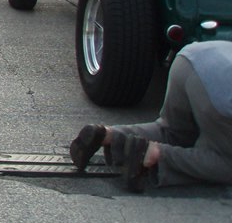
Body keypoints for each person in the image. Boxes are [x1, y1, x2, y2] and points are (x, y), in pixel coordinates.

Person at [69, 40, 232, 192]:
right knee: (225, 163)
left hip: (190, 58)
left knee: (171, 131)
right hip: (221, 90)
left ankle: (108, 135)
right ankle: (156, 154)